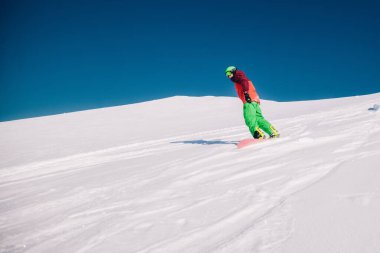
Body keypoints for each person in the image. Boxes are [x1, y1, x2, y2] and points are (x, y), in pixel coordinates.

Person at [225, 66, 279, 139]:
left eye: (229, 73)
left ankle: (258, 135)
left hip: (248, 100)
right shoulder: (241, 78)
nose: (228, 76)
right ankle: (273, 132)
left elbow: (244, 82)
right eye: (226, 75)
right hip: (255, 100)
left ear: (233, 71)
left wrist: (246, 94)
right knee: (259, 119)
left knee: (249, 118)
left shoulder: (239, 77)